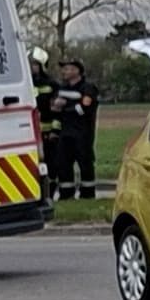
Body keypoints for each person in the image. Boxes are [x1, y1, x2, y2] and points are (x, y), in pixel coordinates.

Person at [37, 56, 99, 200]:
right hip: (65, 133)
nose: (64, 72)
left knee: (85, 163)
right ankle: (66, 194)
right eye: (63, 69)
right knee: (63, 164)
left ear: (77, 71)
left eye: (67, 69)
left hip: (83, 134)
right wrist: (55, 128)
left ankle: (87, 194)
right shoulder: (62, 89)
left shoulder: (88, 88)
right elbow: (55, 109)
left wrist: (65, 106)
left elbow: (84, 109)